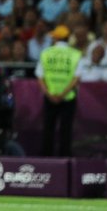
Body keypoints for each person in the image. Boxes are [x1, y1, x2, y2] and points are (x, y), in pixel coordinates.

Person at [35, 25, 83, 157]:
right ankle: (65, 159)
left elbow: (40, 76)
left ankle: (47, 158)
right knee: (66, 130)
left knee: (48, 129)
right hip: (68, 98)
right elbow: (76, 79)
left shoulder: (46, 53)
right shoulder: (76, 54)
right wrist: (62, 95)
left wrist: (49, 94)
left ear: (56, 38)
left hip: (50, 97)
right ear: (68, 38)